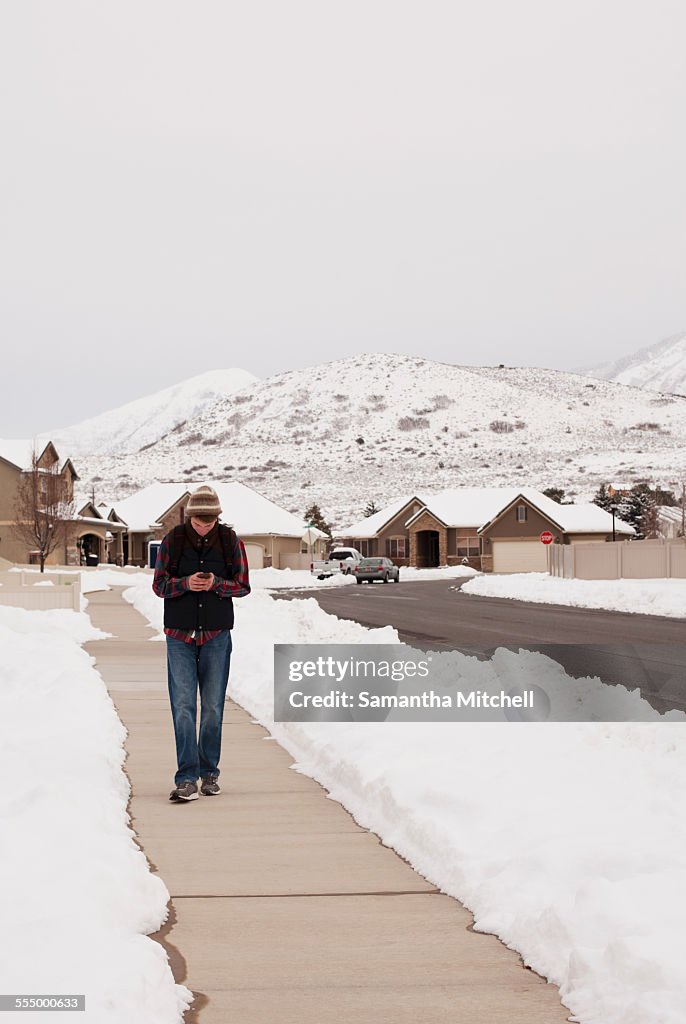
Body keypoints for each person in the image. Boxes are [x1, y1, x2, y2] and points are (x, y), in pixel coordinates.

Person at [152, 485, 251, 802]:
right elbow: (159, 585)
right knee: (183, 708)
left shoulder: (230, 541)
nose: (205, 525)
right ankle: (186, 778)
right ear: (190, 516)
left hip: (216, 636)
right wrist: (184, 584)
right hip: (179, 636)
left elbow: (243, 586)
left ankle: (210, 774)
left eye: (210, 520)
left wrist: (216, 584)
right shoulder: (173, 541)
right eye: (200, 520)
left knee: (212, 708)